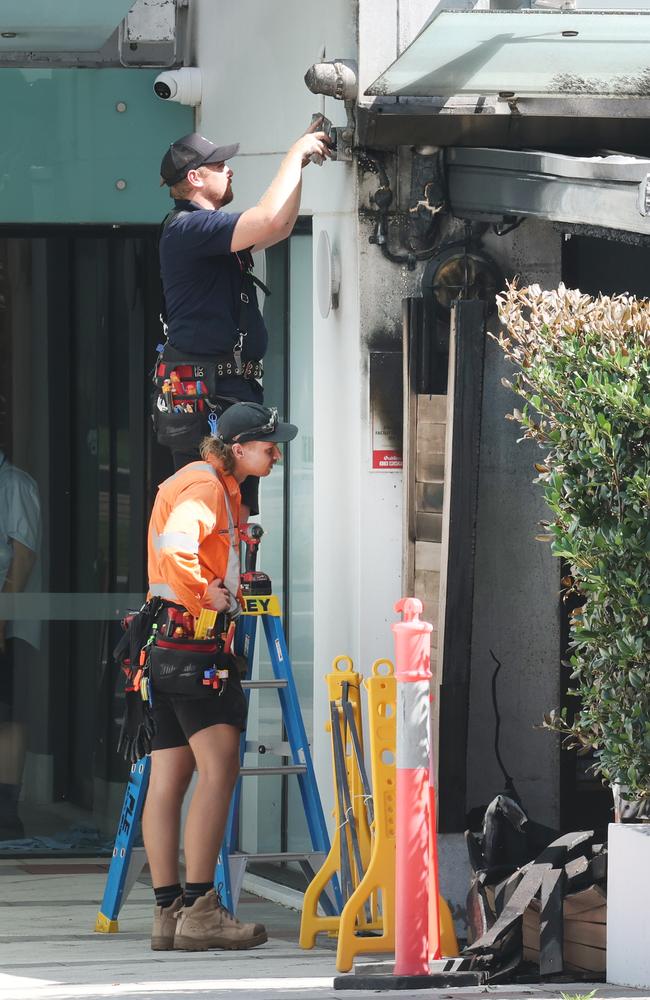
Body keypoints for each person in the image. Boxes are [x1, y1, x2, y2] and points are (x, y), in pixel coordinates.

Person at [139, 402, 298, 952]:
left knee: (169, 781)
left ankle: (169, 913)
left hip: (165, 648)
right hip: (197, 648)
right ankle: (202, 909)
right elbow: (178, 550)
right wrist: (207, 592)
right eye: (268, 444)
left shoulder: (196, 480)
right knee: (220, 771)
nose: (276, 451)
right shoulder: (207, 489)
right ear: (238, 448)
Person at [154, 122, 331, 520]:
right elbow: (267, 219)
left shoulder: (207, 233)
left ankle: (233, 580)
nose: (229, 169)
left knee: (238, 507)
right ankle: (204, 583)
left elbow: (281, 226)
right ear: (195, 177)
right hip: (206, 395)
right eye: (219, 165)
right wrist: (293, 152)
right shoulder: (187, 227)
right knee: (206, 508)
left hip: (230, 389)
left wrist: (299, 165)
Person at [0, 449, 42, 839]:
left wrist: (3, 617)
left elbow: (23, 556)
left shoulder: (13, 483)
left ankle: (6, 813)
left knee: (7, 715)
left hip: (9, 626)